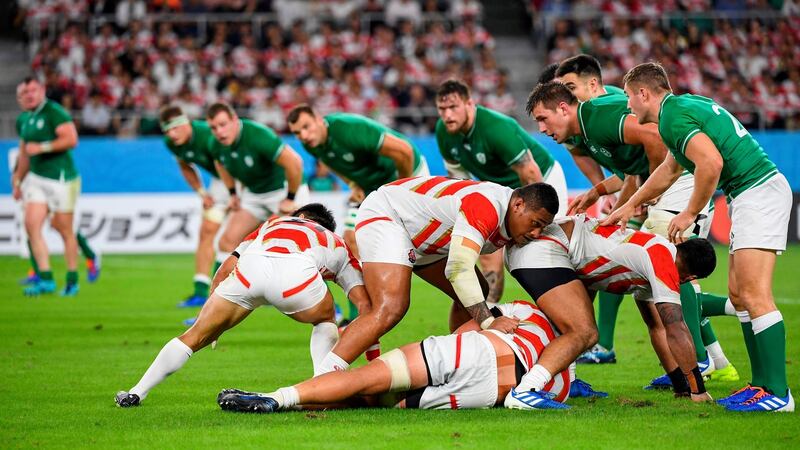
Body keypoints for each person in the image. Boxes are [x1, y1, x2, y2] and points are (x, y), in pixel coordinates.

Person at [603, 62, 793, 412]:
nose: (628, 104)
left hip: (758, 192)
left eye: (629, 97)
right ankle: (761, 385)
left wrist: (690, 212)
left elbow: (711, 164)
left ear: (644, 93)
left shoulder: (674, 117)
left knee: (754, 295)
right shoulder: (680, 110)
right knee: (739, 295)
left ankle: (778, 393)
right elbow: (670, 169)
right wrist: (630, 205)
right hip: (748, 194)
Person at [526, 80, 737, 382]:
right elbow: (630, 173)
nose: (542, 129)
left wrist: (647, 191)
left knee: (664, 268)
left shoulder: (595, 117)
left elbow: (654, 137)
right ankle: (703, 359)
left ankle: (704, 356)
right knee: (646, 283)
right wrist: (604, 194)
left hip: (679, 182)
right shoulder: (585, 134)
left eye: (543, 119)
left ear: (564, 106)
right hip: (661, 185)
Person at [115, 204, 370, 407]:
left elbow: (226, 267)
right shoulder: (337, 242)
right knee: (325, 319)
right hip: (295, 282)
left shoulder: (272, 223)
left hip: (249, 273)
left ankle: (136, 392)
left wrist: (212, 318)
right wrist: (372, 356)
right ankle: (320, 390)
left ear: (300, 216)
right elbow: (365, 306)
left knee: (193, 337)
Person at [316, 176, 559, 375]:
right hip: (389, 214)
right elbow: (458, 269)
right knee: (391, 306)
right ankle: (324, 377)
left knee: (478, 292)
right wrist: (489, 322)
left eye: (542, 227)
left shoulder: (510, 215)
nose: (536, 232)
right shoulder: (487, 206)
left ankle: (456, 364)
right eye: (535, 223)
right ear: (517, 206)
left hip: (427, 238)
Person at [504, 215, 716, 408]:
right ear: (690, 276)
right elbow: (676, 329)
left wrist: (681, 388)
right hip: (544, 247)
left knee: (571, 324)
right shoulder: (664, 263)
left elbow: (656, 326)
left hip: (554, 248)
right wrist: (698, 389)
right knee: (584, 332)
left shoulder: (657, 256)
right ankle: (526, 390)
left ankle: (569, 382)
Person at [216, 300, 573, 413]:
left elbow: (466, 331)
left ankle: (277, 399)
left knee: (364, 380)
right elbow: (546, 393)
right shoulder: (565, 369)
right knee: (370, 403)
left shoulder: (527, 309)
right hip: (485, 395)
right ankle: (285, 405)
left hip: (476, 352)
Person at [434, 79, 567, 305]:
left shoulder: (495, 128)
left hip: (542, 182)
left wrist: (533, 219)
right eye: (442, 109)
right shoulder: (444, 132)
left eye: (453, 107)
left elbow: (531, 172)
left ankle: (563, 315)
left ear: (470, 104)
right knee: (485, 251)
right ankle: (490, 316)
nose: (447, 115)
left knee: (545, 250)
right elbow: (460, 182)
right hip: (500, 193)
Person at [287, 104, 430, 259]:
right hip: (370, 187)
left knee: (423, 238)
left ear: (318, 119)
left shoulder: (349, 129)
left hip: (407, 173)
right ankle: (368, 283)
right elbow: (329, 161)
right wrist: (352, 184)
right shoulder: (311, 144)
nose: (304, 135)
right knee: (351, 239)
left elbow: (405, 151)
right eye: (297, 132)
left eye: (306, 127)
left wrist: (402, 188)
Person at [13, 82, 100, 287]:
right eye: (24, 93)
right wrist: (18, 180)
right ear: (19, 99)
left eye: (32, 91)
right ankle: (44, 277)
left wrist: (43, 147)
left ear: (42, 91)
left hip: (61, 179)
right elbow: (24, 152)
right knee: (31, 225)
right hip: (36, 178)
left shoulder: (55, 112)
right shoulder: (24, 120)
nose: (29, 95)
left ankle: (82, 266)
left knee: (62, 227)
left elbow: (71, 139)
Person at [206, 102, 309, 275]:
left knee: (299, 246)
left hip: (284, 189)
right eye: (213, 128)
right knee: (226, 241)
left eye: (223, 125)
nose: (219, 132)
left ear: (234, 120)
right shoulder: (215, 144)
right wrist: (232, 194)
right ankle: (218, 298)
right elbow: (220, 164)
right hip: (254, 194)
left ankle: (324, 301)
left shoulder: (258, 135)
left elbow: (295, 163)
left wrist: (291, 198)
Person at [160, 105, 229, 308]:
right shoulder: (172, 144)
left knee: (240, 236)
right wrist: (202, 193)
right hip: (221, 183)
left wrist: (235, 194)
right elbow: (185, 165)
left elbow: (225, 163)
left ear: (185, 123)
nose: (171, 135)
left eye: (175, 129)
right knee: (207, 231)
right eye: (167, 131)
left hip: (245, 180)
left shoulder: (208, 134)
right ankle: (201, 291)